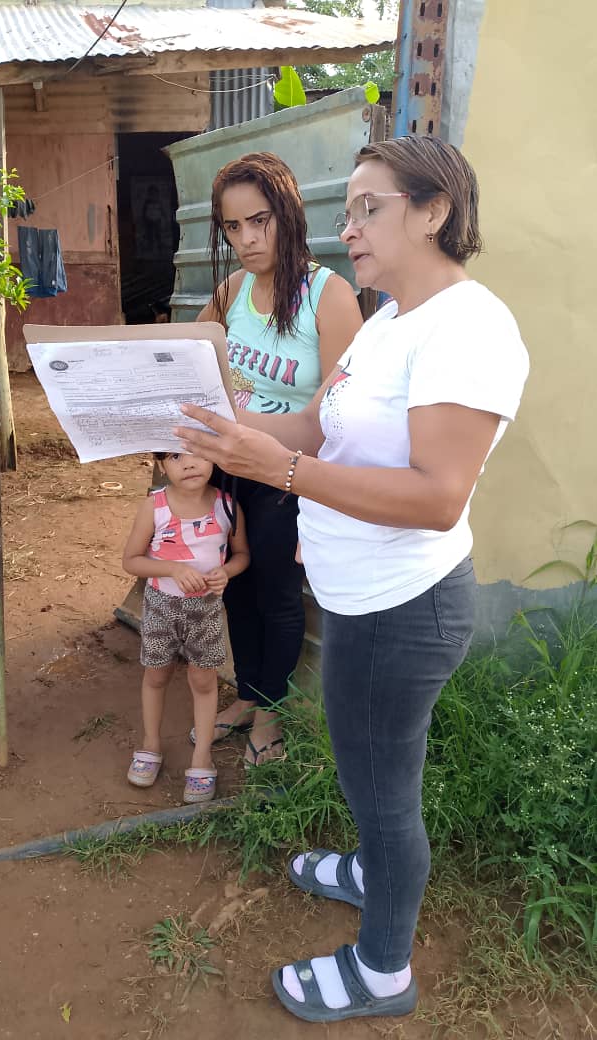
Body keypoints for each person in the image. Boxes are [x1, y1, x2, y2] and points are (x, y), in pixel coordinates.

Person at [175, 136, 529, 1022]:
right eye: (350, 211)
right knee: (369, 771)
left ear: (434, 210)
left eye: (369, 207)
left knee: (383, 795)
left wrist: (282, 472)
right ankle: (374, 870)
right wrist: (238, 439)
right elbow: (318, 425)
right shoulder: (386, 320)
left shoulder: (469, 326)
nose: (351, 227)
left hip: (402, 609)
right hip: (359, 597)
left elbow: (439, 496)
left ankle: (382, 970)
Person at [196, 151, 363, 767]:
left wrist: (240, 427)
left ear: (288, 215)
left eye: (258, 221)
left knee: (278, 594)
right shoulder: (232, 290)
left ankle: (269, 710)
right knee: (235, 590)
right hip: (227, 473)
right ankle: (248, 693)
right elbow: (187, 356)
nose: (246, 239)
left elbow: (329, 420)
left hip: (285, 476)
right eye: (232, 227)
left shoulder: (331, 295)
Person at [122, 451, 250, 804]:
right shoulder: (155, 506)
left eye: (199, 455)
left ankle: (201, 757)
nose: (189, 464)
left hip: (206, 611)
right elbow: (131, 560)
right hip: (160, 607)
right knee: (156, 676)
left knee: (204, 682)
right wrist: (173, 569)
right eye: (176, 457)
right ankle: (150, 744)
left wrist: (226, 572)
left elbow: (242, 555)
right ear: (162, 465)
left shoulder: (227, 506)